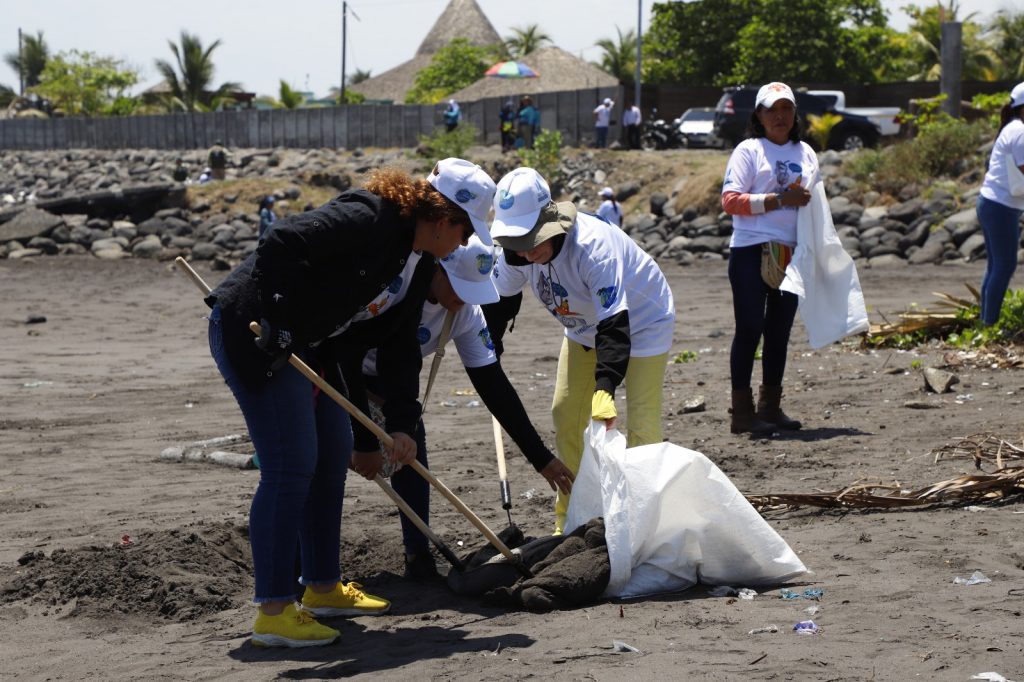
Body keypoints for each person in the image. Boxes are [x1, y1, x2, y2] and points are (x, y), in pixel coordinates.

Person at [204, 157, 495, 648]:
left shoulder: (419, 260)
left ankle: (321, 588)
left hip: (311, 347)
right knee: (291, 465)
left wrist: (401, 426)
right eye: (466, 231)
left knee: (332, 452)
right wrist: (277, 322)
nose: (465, 244)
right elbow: (281, 241)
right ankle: (273, 610)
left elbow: (399, 347)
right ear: (444, 218)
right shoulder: (370, 216)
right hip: (256, 337)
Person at [356, 236, 576, 579]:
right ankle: (303, 570)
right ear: (437, 270)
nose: (463, 300)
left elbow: (493, 385)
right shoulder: (394, 288)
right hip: (340, 370)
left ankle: (418, 556)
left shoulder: (466, 313)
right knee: (321, 463)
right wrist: (365, 441)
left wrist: (540, 458)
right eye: (459, 288)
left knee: (411, 454)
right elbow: (339, 347)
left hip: (394, 386)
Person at [484, 167, 676, 535]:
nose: (525, 251)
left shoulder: (592, 248)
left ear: (549, 220)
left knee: (641, 424)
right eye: (515, 241)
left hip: (642, 321)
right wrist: (489, 348)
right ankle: (571, 520)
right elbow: (498, 304)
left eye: (531, 239)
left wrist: (605, 388)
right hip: (582, 328)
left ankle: (643, 527)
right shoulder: (517, 255)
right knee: (566, 416)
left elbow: (614, 327)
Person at [720, 82, 815, 435]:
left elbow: (812, 202)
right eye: (772, 109)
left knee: (779, 333)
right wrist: (777, 200)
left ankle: (770, 408)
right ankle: (741, 414)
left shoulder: (806, 151)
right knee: (749, 328)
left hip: (791, 251)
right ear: (759, 115)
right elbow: (730, 201)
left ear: (794, 113)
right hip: (750, 249)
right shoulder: (749, 150)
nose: (780, 116)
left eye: (786, 108)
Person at [976, 81, 1024, 326]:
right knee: (1004, 265)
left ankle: (985, 323)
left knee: (996, 264)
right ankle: (989, 324)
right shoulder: (1020, 131)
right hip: (1001, 207)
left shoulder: (1012, 127)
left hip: (992, 203)